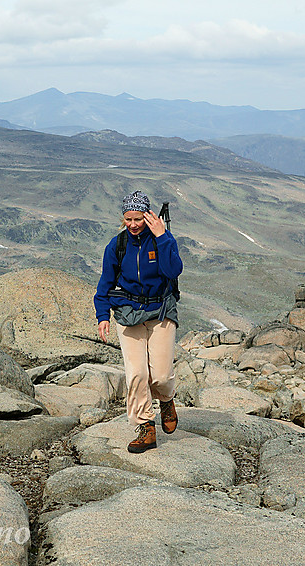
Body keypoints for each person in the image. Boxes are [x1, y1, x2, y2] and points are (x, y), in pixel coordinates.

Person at [94, 190, 183, 453]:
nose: (133, 225)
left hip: (160, 310)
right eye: (128, 219)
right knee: (137, 374)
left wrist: (162, 237)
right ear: (123, 218)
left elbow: (173, 270)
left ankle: (166, 400)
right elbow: (105, 283)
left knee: (162, 376)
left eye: (138, 219)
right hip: (127, 313)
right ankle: (146, 427)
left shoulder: (162, 240)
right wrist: (103, 316)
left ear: (147, 216)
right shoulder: (117, 245)